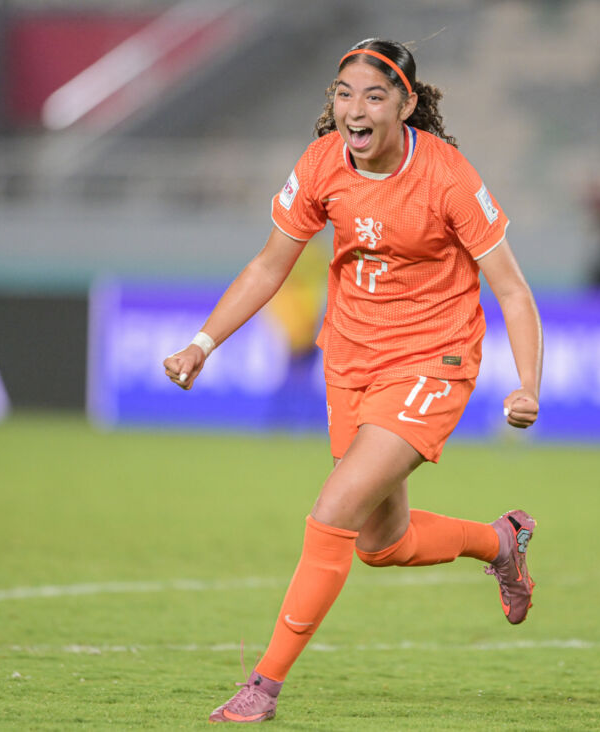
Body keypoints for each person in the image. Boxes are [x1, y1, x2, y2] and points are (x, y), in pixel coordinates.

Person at [162, 38, 543, 724]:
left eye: (373, 96)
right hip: (350, 361)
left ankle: (263, 687)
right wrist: (203, 341)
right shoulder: (320, 165)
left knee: (333, 511)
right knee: (379, 543)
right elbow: (267, 266)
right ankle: (501, 542)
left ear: (405, 105)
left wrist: (527, 385)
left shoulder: (448, 177)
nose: (355, 109)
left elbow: (512, 291)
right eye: (343, 94)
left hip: (433, 360)